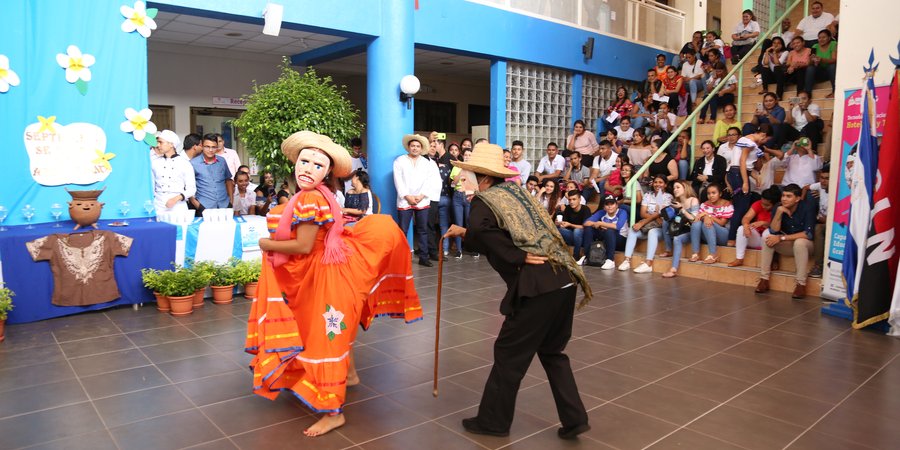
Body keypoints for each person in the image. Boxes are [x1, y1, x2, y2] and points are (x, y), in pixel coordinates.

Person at [248, 131, 423, 437]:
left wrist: (265, 243)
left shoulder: (311, 198)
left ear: (327, 172)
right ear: (295, 163)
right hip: (333, 272)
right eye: (304, 161)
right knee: (337, 330)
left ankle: (333, 412)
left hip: (325, 276)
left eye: (317, 165)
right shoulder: (323, 195)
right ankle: (351, 375)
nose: (307, 168)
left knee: (327, 336)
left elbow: (303, 246)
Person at [441, 143, 591, 440]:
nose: (463, 178)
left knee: (509, 355)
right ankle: (575, 419)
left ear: (482, 177)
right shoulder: (516, 193)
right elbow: (492, 231)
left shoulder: (484, 200)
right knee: (552, 351)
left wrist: (517, 256)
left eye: (467, 173)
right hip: (563, 280)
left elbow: (484, 231)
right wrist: (465, 232)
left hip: (537, 285)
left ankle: (493, 422)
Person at [755, 183, 816, 298]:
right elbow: (773, 231)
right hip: (789, 245)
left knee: (800, 242)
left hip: (806, 246)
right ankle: (764, 279)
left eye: (788, 196)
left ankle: (800, 284)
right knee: (767, 238)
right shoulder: (778, 206)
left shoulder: (807, 208)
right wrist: (778, 212)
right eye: (783, 196)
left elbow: (808, 234)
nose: (784, 199)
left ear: (797, 198)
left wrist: (782, 238)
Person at [393, 134, 439, 267]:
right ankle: (400, 257)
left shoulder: (427, 163)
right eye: (412, 146)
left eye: (418, 146)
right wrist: (407, 196)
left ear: (421, 148)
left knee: (422, 229)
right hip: (404, 200)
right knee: (403, 230)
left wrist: (421, 195)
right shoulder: (399, 161)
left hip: (422, 200)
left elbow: (430, 181)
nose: (415, 148)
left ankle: (424, 257)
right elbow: (398, 180)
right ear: (408, 147)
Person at [620, 174, 671, 274]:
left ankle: (648, 263)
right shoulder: (648, 195)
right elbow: (643, 213)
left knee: (652, 232)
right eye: (656, 182)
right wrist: (653, 217)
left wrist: (643, 221)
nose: (657, 184)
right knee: (632, 230)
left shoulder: (667, 196)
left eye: (661, 182)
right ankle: (627, 260)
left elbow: (660, 214)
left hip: (660, 228)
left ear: (665, 185)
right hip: (649, 225)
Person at [729, 186, 781, 267]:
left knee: (768, 233)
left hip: (771, 241)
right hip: (757, 239)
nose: (763, 206)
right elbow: (746, 218)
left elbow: (778, 228)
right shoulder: (758, 204)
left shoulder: (779, 209)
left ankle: (771, 262)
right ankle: (739, 259)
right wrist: (746, 226)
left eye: (767, 205)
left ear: (774, 204)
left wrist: (764, 223)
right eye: (762, 203)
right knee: (741, 228)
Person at [661, 181, 701, 278]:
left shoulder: (693, 200)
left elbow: (693, 219)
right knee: (666, 223)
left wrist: (681, 209)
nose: (675, 190)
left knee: (679, 237)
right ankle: (669, 252)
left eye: (678, 187)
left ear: (685, 188)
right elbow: (673, 219)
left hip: (693, 231)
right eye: (674, 188)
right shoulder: (675, 202)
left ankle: (675, 268)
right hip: (681, 229)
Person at [151, 130, 196, 213]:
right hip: (158, 205)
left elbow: (191, 189)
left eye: (161, 142)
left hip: (178, 206)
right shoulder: (154, 162)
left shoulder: (185, 163)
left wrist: (176, 199)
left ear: (171, 144)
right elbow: (151, 186)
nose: (158, 145)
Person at [190, 133, 234, 214]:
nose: (210, 150)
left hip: (224, 205)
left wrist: (231, 201)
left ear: (217, 147)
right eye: (207, 146)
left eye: (213, 147)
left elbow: (228, 180)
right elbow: (187, 186)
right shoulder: (193, 163)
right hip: (204, 207)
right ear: (202, 146)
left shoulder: (222, 161)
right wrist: (198, 206)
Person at [691, 182, 733, 264]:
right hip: (708, 234)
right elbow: (697, 218)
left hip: (723, 235)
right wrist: (706, 217)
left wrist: (708, 215)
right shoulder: (704, 205)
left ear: (720, 194)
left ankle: (713, 254)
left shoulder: (727, 204)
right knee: (697, 223)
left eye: (714, 193)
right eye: (709, 193)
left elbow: (722, 223)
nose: (711, 195)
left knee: (707, 223)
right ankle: (695, 253)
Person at [583, 194, 629, 269]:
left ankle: (610, 260)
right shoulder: (602, 212)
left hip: (621, 239)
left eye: (612, 204)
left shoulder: (622, 212)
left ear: (617, 205)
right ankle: (587, 256)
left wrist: (601, 223)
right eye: (607, 204)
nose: (610, 206)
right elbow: (586, 223)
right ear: (604, 207)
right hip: (607, 238)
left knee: (610, 231)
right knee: (589, 228)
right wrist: (597, 224)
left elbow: (617, 226)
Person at [557, 190, 591, 263]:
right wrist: (560, 223)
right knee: (557, 229)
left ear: (579, 199)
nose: (571, 202)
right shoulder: (568, 208)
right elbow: (565, 225)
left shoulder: (585, 209)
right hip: (571, 236)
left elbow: (585, 227)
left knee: (577, 231)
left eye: (574, 199)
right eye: (570, 199)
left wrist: (570, 225)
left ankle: (576, 255)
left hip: (582, 237)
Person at [806, 168, 829, 277]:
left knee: (818, 228)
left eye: (827, 179)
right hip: (819, 219)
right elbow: (805, 188)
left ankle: (818, 266)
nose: (823, 181)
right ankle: (807, 231)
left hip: (833, 222)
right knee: (810, 195)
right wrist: (801, 201)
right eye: (822, 178)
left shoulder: (839, 191)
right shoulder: (820, 186)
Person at [806, 29, 837, 98]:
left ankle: (835, 92)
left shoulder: (833, 44)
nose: (821, 39)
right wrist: (812, 60)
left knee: (832, 66)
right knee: (810, 68)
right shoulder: (815, 46)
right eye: (819, 38)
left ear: (829, 38)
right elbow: (809, 63)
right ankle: (807, 94)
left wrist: (821, 59)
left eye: (824, 37)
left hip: (831, 71)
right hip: (820, 72)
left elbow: (834, 60)